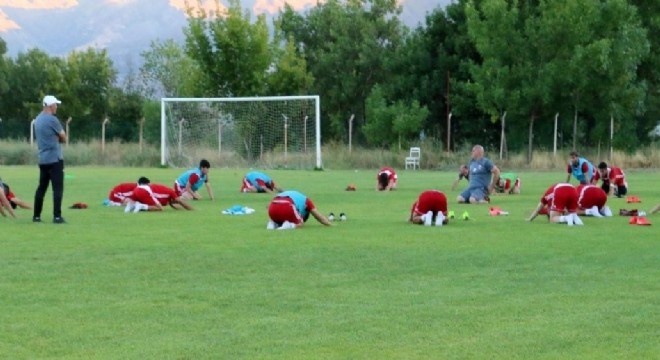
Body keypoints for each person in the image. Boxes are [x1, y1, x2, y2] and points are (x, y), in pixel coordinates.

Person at [33, 95, 67, 224]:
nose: (56, 107)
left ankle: (36, 215)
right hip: (55, 158)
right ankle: (57, 216)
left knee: (41, 187)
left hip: (43, 159)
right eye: (56, 105)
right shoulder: (53, 120)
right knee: (57, 188)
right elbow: (63, 137)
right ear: (51, 106)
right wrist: (58, 139)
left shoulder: (38, 119)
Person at [267, 190, 332, 229]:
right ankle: (289, 225)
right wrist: (330, 224)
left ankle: (273, 223)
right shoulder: (306, 200)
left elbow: (269, 206)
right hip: (287, 204)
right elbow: (320, 218)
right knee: (300, 223)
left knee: (280, 214)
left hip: (272, 206)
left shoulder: (295, 195)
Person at [126, 183, 193, 212]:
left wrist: (181, 209)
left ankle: (133, 206)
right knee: (160, 208)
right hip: (145, 191)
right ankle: (142, 207)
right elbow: (180, 202)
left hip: (138, 189)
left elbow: (174, 204)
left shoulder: (168, 197)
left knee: (145, 202)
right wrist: (191, 209)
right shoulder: (171, 192)